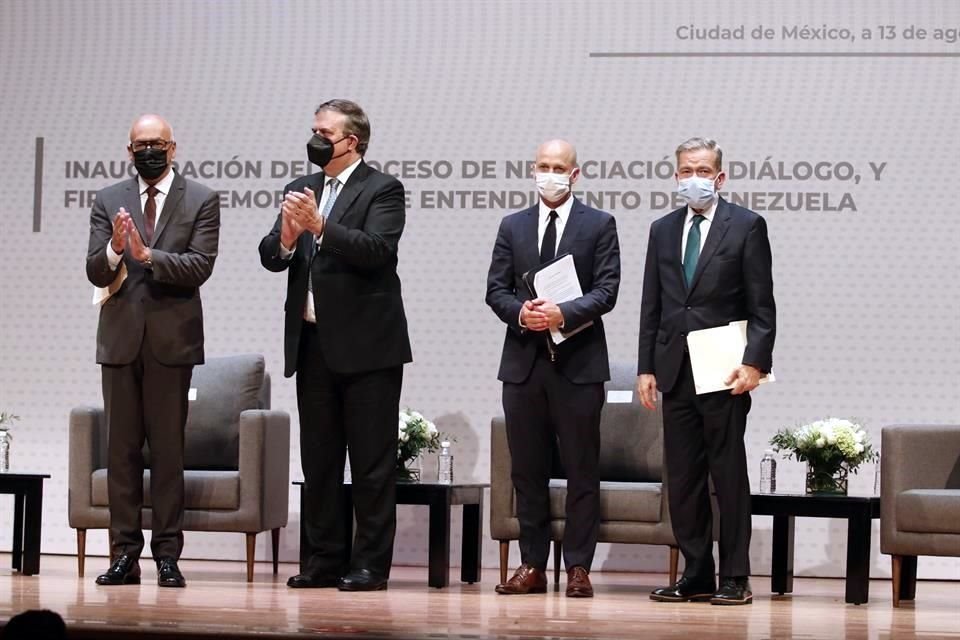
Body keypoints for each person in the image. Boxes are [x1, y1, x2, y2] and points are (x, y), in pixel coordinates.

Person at [258, 99, 411, 591]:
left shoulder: (382, 188)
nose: (315, 140)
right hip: (312, 343)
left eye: (325, 133)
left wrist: (321, 227)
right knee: (320, 462)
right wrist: (286, 236)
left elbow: (377, 251)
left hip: (369, 348)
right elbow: (271, 255)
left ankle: (369, 565)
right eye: (314, 131)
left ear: (352, 141)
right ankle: (323, 559)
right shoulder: (301, 188)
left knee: (370, 464)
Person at [637, 137, 775, 605]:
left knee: (727, 476)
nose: (693, 178)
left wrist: (755, 363)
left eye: (702, 170)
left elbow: (762, 306)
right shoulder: (662, 229)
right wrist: (646, 367)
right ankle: (696, 572)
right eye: (685, 171)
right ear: (676, 175)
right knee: (683, 479)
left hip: (724, 372)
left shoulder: (747, 226)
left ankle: (735, 576)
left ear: (720, 177)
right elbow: (652, 305)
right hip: (674, 369)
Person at [85, 114, 221, 588]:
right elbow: (95, 270)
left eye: (156, 143)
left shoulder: (201, 198)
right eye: (140, 144)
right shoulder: (108, 199)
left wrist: (148, 257)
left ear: (173, 147)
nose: (148, 150)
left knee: (167, 452)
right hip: (120, 341)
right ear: (129, 150)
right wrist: (115, 250)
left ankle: (167, 555)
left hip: (172, 341)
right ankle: (124, 554)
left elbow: (200, 266)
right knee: (120, 452)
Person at [486, 139, 621, 598]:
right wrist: (522, 313)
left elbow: (607, 290)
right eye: (543, 165)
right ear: (533, 170)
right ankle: (532, 565)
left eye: (558, 167)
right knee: (527, 471)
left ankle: (579, 566)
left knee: (582, 468)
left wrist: (563, 313)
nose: (550, 174)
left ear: (574, 174)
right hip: (523, 365)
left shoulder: (599, 224)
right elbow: (496, 289)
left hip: (579, 366)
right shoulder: (512, 225)